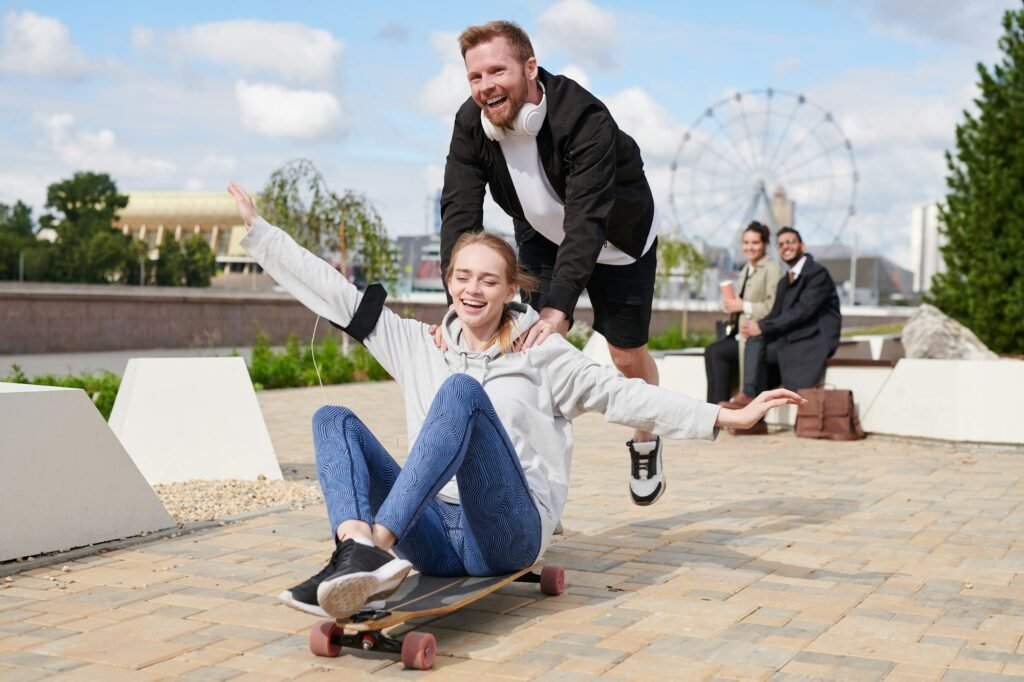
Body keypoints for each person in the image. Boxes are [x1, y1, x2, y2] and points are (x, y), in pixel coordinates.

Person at [226, 183, 804, 620]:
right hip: (428, 538)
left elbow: (624, 394)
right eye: (462, 277)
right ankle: (355, 548)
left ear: (510, 289)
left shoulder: (542, 353)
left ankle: (375, 548)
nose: (472, 290)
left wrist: (725, 415)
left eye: (488, 280)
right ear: (448, 282)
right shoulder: (417, 343)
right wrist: (263, 236)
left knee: (461, 394)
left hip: (506, 532)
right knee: (333, 417)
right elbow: (336, 294)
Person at [438, 20, 666, 506]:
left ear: (530, 67)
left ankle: (646, 436)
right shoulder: (471, 124)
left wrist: (559, 306)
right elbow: (459, 210)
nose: (486, 86)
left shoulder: (584, 118)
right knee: (532, 351)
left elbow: (587, 220)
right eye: (475, 76)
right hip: (542, 235)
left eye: (497, 71)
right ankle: (538, 488)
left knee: (626, 357)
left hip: (618, 240)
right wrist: (455, 300)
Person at [740, 227, 841, 392]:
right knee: (752, 341)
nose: (785, 247)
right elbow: (775, 314)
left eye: (790, 242)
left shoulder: (817, 273)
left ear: (802, 245)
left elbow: (802, 311)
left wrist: (762, 327)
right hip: (793, 335)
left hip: (813, 340)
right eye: (780, 244)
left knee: (761, 345)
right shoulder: (785, 281)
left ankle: (750, 395)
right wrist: (754, 327)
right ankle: (750, 396)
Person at [704, 222, 784, 414]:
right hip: (741, 334)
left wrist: (743, 306)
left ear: (765, 244)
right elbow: (743, 303)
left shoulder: (772, 268)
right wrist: (731, 306)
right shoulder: (747, 269)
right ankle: (711, 410)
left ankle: (719, 412)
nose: (750, 247)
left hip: (759, 336)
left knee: (718, 352)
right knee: (712, 351)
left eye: (755, 243)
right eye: (746, 243)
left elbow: (773, 305)